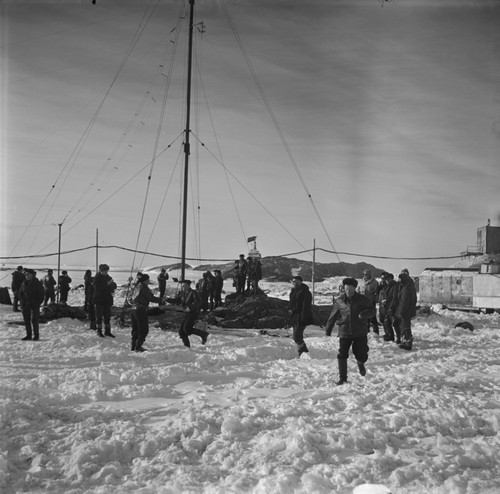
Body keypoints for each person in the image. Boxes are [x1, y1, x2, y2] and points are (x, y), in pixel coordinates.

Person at [325, 277, 376, 385]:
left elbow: (372, 311)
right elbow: (333, 315)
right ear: (344, 288)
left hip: (359, 331)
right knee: (342, 354)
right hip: (344, 331)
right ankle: (343, 378)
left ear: (355, 288)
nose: (348, 292)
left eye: (350, 290)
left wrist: (364, 314)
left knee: (361, 354)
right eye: (346, 289)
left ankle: (360, 362)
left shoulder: (363, 299)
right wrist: (328, 329)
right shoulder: (339, 301)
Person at [166, 280, 208, 347]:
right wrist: (167, 299)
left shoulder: (193, 292)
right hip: (186, 313)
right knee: (181, 332)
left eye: (184, 286)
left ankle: (203, 334)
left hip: (193, 313)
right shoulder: (182, 293)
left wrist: (190, 307)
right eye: (182, 286)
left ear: (188, 286)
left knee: (186, 329)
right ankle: (187, 346)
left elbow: (199, 301)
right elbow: (176, 300)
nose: (183, 287)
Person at [128, 273, 163, 352]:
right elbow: (151, 298)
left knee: (135, 328)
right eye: (148, 280)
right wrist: (161, 300)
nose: (148, 281)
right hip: (140, 309)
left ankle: (133, 345)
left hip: (133, 309)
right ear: (145, 280)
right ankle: (138, 346)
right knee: (143, 329)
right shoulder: (144, 287)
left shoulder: (136, 286)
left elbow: (130, 297)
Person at [288, 275, 313, 357]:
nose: (294, 283)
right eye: (293, 281)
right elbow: (291, 303)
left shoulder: (306, 292)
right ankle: (302, 352)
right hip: (295, 317)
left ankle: (304, 351)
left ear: (300, 282)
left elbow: (306, 307)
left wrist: (303, 318)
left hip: (301, 317)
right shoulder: (294, 291)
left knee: (296, 336)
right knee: (297, 336)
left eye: (295, 281)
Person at [18, 268, 45, 341]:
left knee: (34, 320)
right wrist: (21, 303)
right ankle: (28, 335)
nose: (26, 276)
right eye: (25, 274)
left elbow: (41, 295)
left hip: (34, 305)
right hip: (25, 305)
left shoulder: (37, 283)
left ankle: (36, 335)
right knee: (26, 320)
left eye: (28, 274)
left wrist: (36, 303)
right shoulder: (23, 283)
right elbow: (20, 293)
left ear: (32, 275)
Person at [93, 264, 117, 338]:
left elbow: (114, 285)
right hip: (99, 300)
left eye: (107, 270)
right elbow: (97, 287)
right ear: (101, 270)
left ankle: (107, 331)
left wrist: (112, 285)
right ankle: (99, 331)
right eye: (104, 270)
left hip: (107, 300)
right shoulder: (97, 278)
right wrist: (107, 284)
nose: (106, 272)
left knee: (107, 317)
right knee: (99, 316)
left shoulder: (108, 277)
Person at [395, 271, 417, 350]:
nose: (399, 280)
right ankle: (406, 341)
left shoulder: (406, 288)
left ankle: (407, 344)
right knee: (406, 326)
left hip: (405, 311)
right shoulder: (410, 285)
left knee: (405, 327)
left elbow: (403, 301)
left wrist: (400, 312)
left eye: (400, 278)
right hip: (409, 310)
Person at [378, 272, 400, 342]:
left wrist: (391, 306)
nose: (387, 280)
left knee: (395, 323)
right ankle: (389, 336)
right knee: (386, 323)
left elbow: (395, 298)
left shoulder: (395, 286)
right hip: (385, 307)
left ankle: (399, 338)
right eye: (385, 279)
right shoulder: (384, 285)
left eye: (388, 279)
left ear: (391, 278)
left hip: (393, 307)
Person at [358, 269, 379, 334]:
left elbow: (377, 293)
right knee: (364, 318)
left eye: (366, 274)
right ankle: (365, 331)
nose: (365, 276)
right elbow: (358, 291)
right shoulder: (360, 282)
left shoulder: (374, 282)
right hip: (362, 303)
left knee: (372, 318)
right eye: (364, 274)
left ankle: (376, 332)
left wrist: (375, 301)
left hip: (370, 303)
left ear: (370, 274)